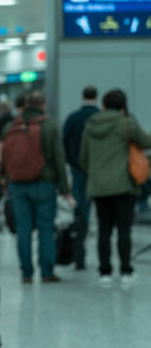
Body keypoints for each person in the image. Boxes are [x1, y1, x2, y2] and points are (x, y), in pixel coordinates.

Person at [0, 91, 72, 284]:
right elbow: (58, 159)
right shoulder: (48, 126)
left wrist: (5, 179)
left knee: (23, 230)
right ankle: (47, 271)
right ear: (43, 105)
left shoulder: (10, 127)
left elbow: (3, 158)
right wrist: (65, 190)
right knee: (46, 228)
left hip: (17, 185)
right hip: (43, 184)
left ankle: (26, 273)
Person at [80, 89, 151, 287]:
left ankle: (105, 272)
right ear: (123, 106)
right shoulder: (126, 123)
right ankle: (126, 271)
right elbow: (146, 142)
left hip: (98, 186)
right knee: (124, 230)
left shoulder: (91, 124)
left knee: (104, 230)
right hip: (122, 185)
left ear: (103, 104)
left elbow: (83, 158)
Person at [62, 86, 99, 270]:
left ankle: (79, 253)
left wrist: (72, 161)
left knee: (81, 211)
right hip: (100, 171)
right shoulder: (100, 117)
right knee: (104, 215)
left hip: (78, 170)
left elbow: (64, 142)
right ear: (96, 97)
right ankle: (106, 261)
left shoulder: (73, 118)